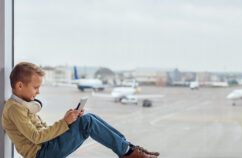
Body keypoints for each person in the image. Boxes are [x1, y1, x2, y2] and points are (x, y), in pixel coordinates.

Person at [1, 62, 160, 158]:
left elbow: (42, 132)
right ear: (20, 86)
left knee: (88, 118)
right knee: (87, 121)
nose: (38, 92)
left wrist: (69, 121)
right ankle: (127, 152)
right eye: (35, 88)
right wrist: (64, 123)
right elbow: (36, 137)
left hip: (47, 146)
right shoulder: (15, 109)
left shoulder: (22, 106)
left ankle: (129, 149)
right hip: (42, 154)